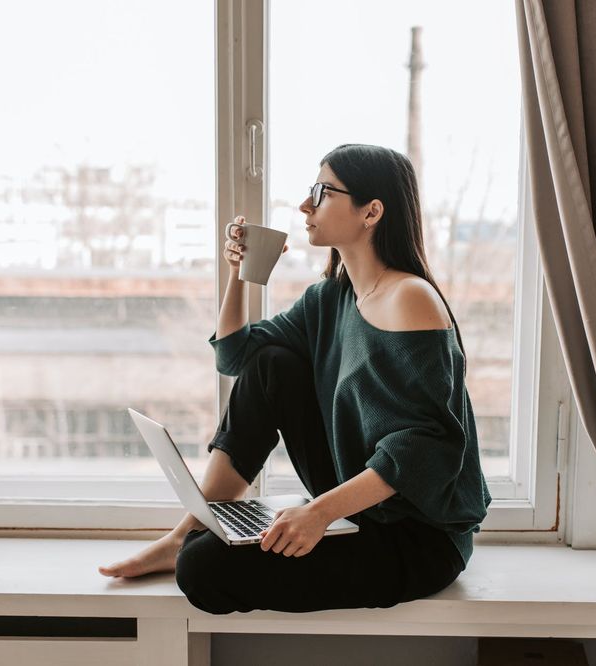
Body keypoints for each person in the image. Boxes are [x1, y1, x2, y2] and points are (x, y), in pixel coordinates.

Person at [99, 143, 492, 614]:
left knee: (203, 570)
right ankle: (188, 530)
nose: (306, 205)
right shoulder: (330, 298)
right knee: (272, 364)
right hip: (360, 505)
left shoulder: (411, 299)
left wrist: (319, 514)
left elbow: (430, 447)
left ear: (372, 211)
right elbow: (236, 356)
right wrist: (239, 275)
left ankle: (194, 545)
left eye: (321, 192)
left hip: (415, 534)